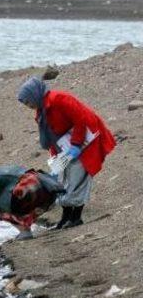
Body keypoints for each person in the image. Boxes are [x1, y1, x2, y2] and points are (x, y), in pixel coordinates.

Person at [17, 77, 116, 229]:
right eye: (26, 104)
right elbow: (51, 136)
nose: (28, 105)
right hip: (65, 147)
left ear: (35, 94)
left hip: (85, 141)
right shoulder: (41, 112)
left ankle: (76, 217)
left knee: (78, 179)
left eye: (28, 101)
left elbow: (81, 119)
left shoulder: (59, 99)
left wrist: (76, 144)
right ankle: (65, 218)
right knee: (63, 181)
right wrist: (55, 157)